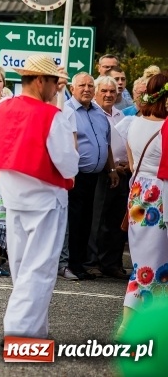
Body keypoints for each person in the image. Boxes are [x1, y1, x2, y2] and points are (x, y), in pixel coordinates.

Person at [0, 54, 78, 339]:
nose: (57, 88)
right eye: (55, 83)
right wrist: (59, 107)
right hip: (46, 199)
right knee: (38, 272)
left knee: (21, 269)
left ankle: (33, 332)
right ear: (40, 80)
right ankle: (22, 336)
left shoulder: (4, 106)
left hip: (14, 197)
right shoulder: (52, 116)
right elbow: (68, 163)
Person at [119, 73, 168, 336]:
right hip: (160, 195)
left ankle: (133, 323)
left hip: (138, 194)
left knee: (142, 261)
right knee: (155, 264)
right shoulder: (165, 128)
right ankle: (137, 326)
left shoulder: (132, 122)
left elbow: (129, 162)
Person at [60, 72, 117, 281]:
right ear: (72, 88)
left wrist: (111, 169)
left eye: (90, 85)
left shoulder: (99, 113)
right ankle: (71, 264)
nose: (86, 89)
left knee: (87, 222)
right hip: (76, 176)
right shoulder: (67, 111)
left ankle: (81, 263)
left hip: (95, 177)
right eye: (82, 85)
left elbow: (106, 143)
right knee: (74, 222)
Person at [87, 76, 129, 279]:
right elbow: (102, 144)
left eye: (112, 91)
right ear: (96, 92)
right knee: (97, 220)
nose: (108, 95)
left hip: (124, 172)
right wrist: (111, 168)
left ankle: (112, 263)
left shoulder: (121, 114)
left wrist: (126, 164)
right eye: (104, 91)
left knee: (117, 221)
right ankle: (92, 262)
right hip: (103, 172)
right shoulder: (94, 113)